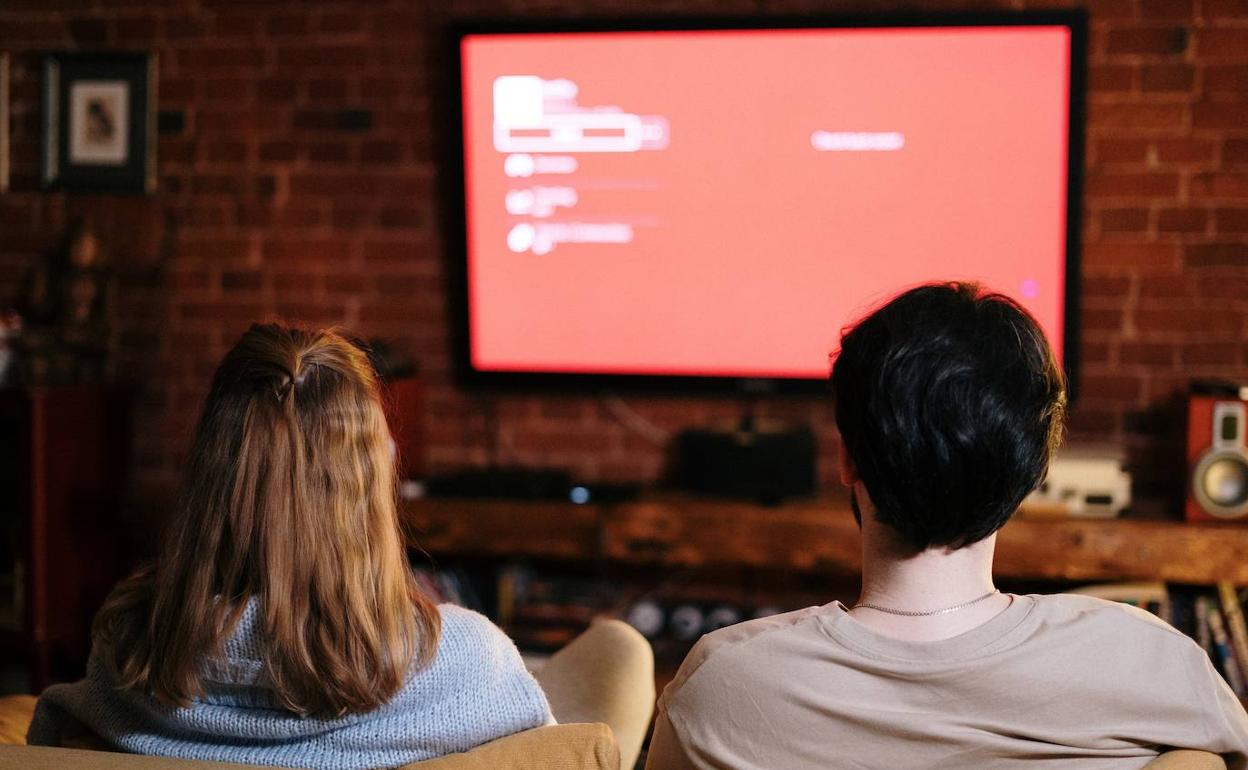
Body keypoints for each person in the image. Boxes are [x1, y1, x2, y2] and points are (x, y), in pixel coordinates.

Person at [646, 282, 1248, 769]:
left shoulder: (720, 685)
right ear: (1033, 471)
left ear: (848, 459)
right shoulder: (1152, 663)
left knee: (616, 652)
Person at [27, 324, 553, 769]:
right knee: (618, 649)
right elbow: (557, 746)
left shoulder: (128, 651)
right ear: (367, 485)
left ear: (210, 477)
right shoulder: (465, 661)